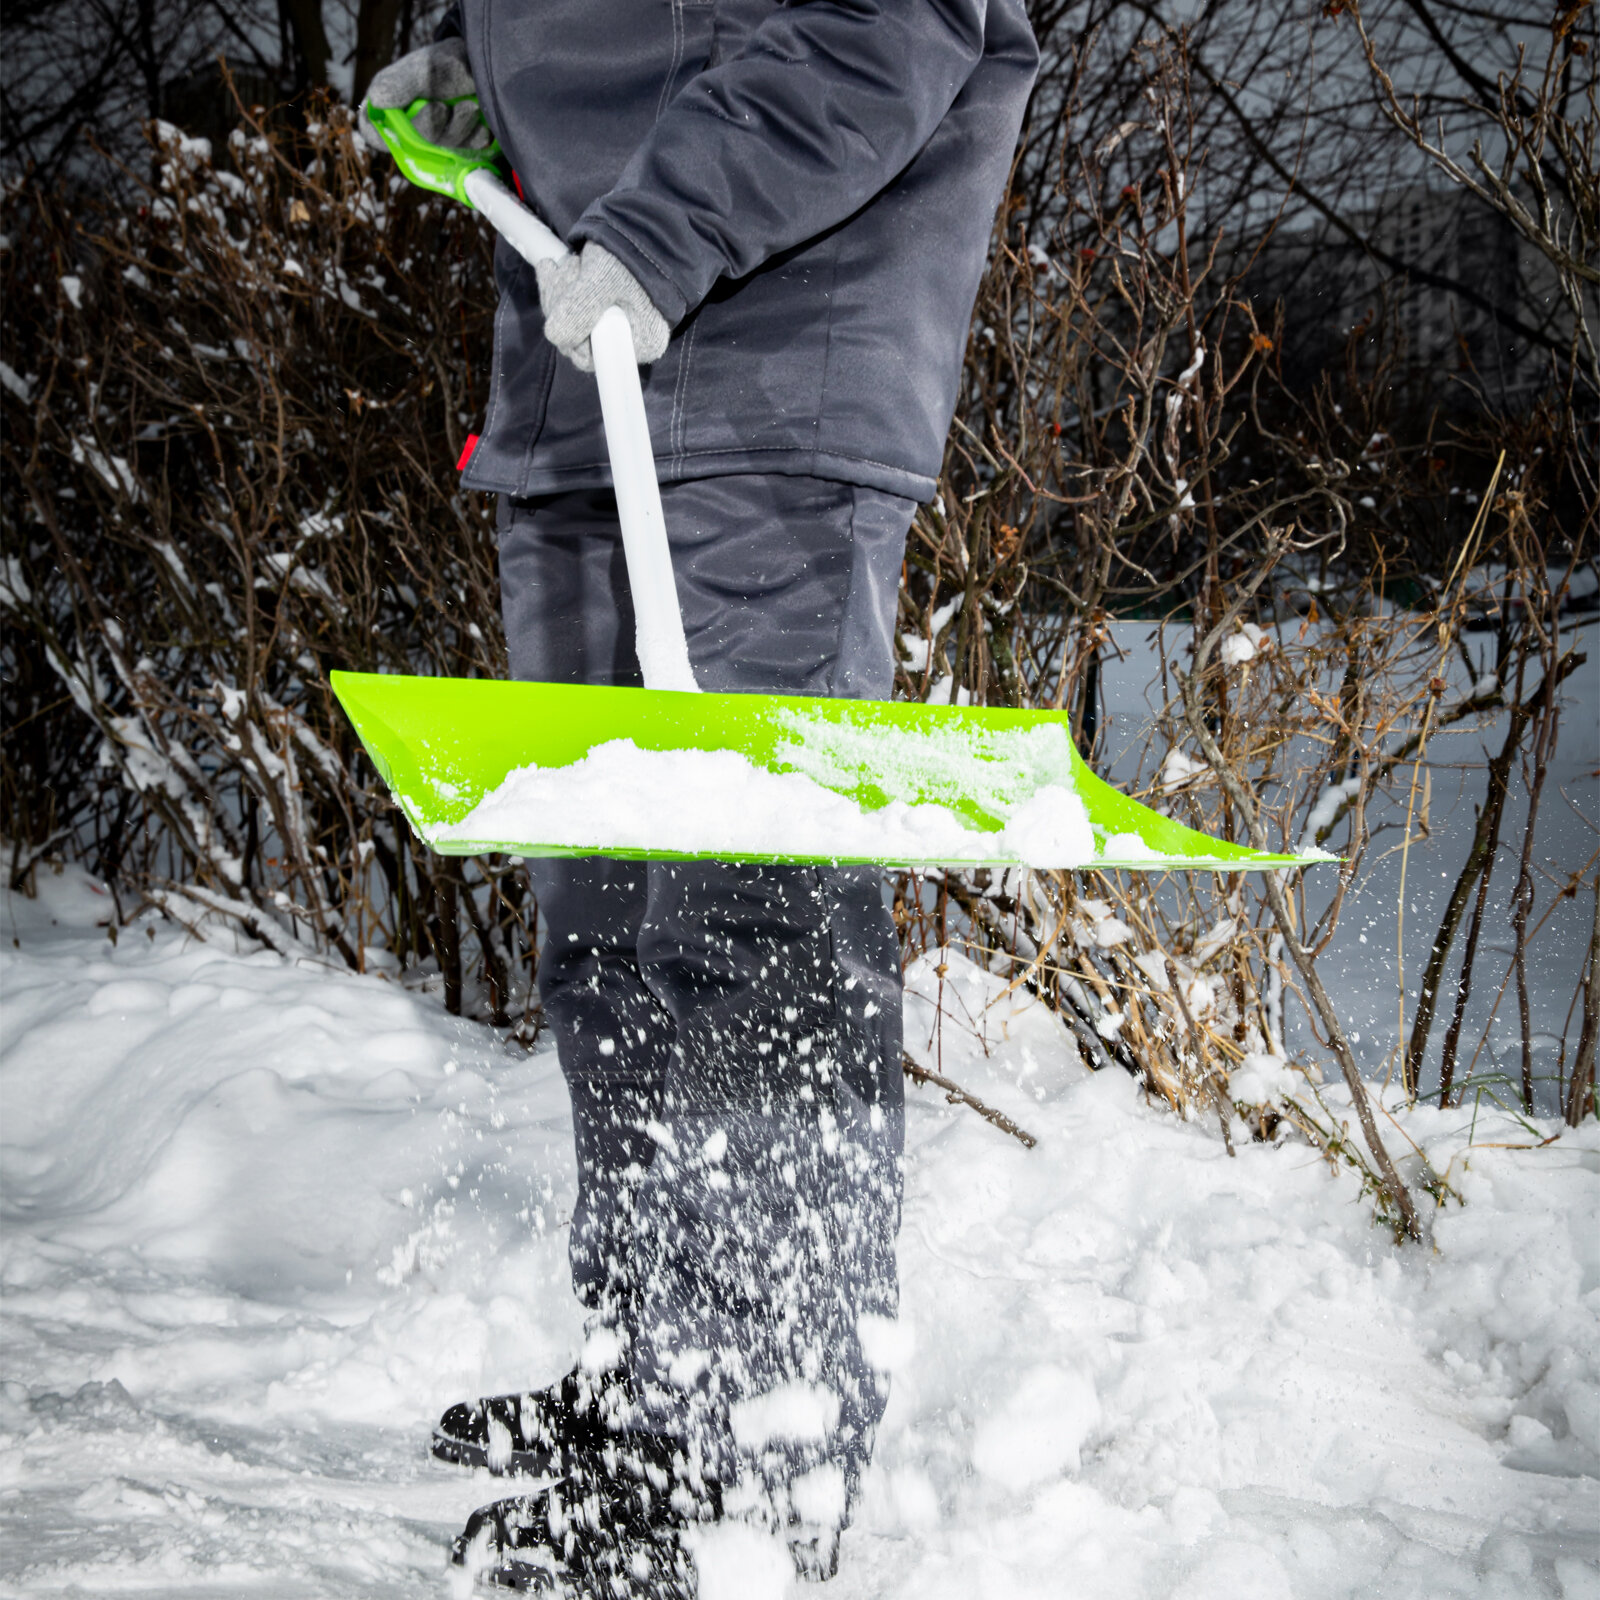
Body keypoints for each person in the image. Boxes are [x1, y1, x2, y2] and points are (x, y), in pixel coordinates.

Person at [361, 3, 1036, 1591]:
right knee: (604, 929)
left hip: (769, 364)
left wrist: (664, 230)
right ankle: (659, 1366)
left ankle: (760, 1439)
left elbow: (893, 23)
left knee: (753, 927)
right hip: (577, 370)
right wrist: (481, 61)